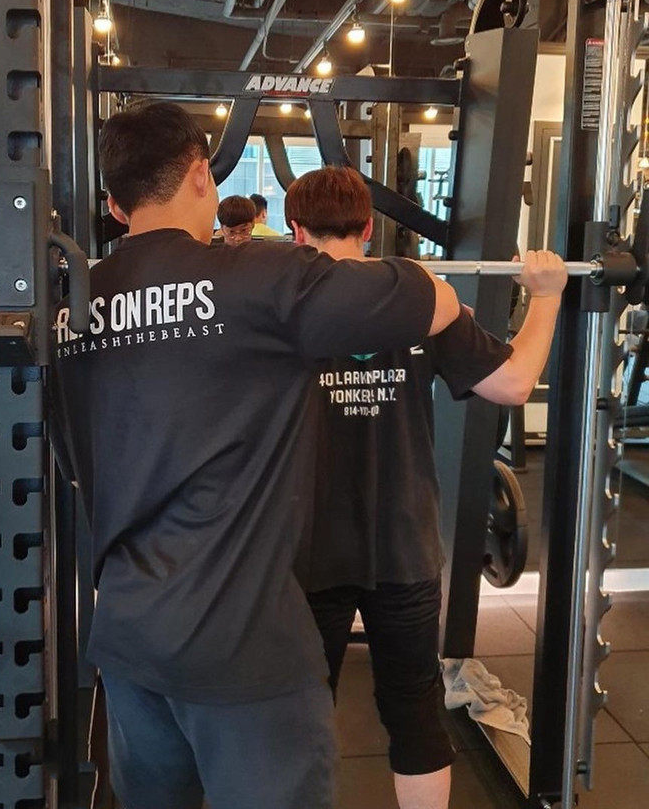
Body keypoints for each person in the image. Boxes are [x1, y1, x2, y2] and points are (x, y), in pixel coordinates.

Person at [50, 102, 462, 809]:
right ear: (201, 175)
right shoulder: (260, 278)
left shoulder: (70, 311)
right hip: (244, 644)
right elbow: (434, 301)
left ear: (115, 206)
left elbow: (72, 463)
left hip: (129, 633)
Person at [285, 166, 567, 809]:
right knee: (414, 711)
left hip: (306, 548)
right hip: (404, 545)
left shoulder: (275, 301)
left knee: (296, 717)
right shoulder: (421, 302)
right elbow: (515, 384)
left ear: (296, 231)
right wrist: (546, 296)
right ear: (368, 228)